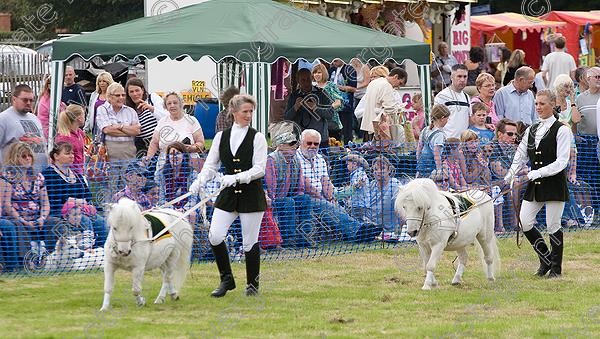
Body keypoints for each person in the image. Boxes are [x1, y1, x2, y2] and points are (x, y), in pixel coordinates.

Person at [189, 94, 267, 297]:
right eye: (245, 112)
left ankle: (252, 286)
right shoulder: (221, 137)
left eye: (251, 111)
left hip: (251, 194)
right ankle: (227, 279)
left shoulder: (257, 137)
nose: (249, 115)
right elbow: (211, 164)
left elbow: (260, 169)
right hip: (228, 194)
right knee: (215, 236)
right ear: (233, 112)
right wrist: (199, 181)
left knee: (250, 242)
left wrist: (238, 177)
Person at [504, 89, 571, 278]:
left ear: (552, 104)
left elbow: (562, 161)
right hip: (536, 183)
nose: (538, 107)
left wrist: (537, 172)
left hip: (554, 183)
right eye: (536, 104)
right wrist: (511, 173)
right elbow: (520, 154)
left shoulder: (562, 129)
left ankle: (556, 269)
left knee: (553, 225)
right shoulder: (531, 129)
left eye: (542, 103)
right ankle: (545, 259)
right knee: (525, 221)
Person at [41, 142, 107, 246]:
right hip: (60, 213)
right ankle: (85, 251)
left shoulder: (77, 175)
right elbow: (54, 200)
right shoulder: (48, 174)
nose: (71, 156)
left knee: (102, 223)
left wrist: (84, 205)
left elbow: (87, 195)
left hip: (82, 210)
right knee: (84, 220)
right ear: (56, 156)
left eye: (72, 153)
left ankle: (97, 252)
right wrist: (74, 202)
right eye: (67, 153)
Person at [144, 92, 204, 200]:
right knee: (164, 193)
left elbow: (201, 143)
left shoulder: (191, 120)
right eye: (169, 103)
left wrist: (190, 148)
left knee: (190, 193)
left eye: (175, 102)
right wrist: (147, 159)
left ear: (181, 103)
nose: (172, 105)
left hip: (189, 165)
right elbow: (154, 143)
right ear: (165, 106)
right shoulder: (163, 121)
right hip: (166, 165)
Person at [0, 142, 51, 263]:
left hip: (37, 217)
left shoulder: (38, 177)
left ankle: (50, 260)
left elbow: (45, 203)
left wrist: (42, 218)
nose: (28, 158)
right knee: (18, 225)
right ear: (15, 158)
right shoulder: (6, 177)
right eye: (23, 156)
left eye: (30, 155)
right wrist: (24, 221)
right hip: (16, 217)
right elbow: (6, 205)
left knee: (54, 222)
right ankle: (27, 261)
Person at [264, 132, 311, 247]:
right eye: (291, 144)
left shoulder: (296, 160)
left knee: (305, 199)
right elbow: (271, 188)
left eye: (295, 144)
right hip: (272, 200)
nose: (294, 146)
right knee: (288, 202)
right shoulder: (271, 160)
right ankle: (288, 239)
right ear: (280, 146)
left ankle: (304, 237)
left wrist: (298, 197)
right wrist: (273, 202)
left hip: (288, 198)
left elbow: (300, 187)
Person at [0, 84, 47, 172]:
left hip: (39, 175)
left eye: (31, 100)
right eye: (25, 100)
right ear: (14, 99)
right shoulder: (3, 119)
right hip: (15, 176)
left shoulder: (34, 118)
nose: (29, 103)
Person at [285, 68, 333, 149]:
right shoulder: (294, 96)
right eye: (303, 80)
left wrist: (316, 108)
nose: (306, 82)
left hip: (319, 139)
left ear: (311, 78)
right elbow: (287, 118)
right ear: (298, 81)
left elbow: (330, 114)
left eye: (308, 79)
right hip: (300, 139)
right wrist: (295, 108)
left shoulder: (322, 93)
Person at [95, 82, 141, 161]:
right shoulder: (102, 109)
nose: (121, 97)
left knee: (129, 173)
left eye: (123, 95)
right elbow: (107, 130)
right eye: (117, 95)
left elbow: (137, 131)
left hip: (129, 151)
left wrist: (120, 127)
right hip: (109, 150)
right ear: (109, 96)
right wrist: (129, 131)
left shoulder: (130, 111)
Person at [359, 67, 407, 140]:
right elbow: (390, 108)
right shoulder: (386, 85)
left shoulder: (373, 82)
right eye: (400, 83)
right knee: (382, 150)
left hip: (369, 124)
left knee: (372, 149)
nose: (398, 86)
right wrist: (399, 108)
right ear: (396, 76)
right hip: (380, 127)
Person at [125, 78, 165, 156]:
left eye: (137, 90)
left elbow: (166, 116)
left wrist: (151, 108)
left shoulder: (152, 98)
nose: (135, 94)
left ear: (142, 90)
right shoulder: (129, 109)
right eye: (131, 91)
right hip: (141, 148)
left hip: (158, 143)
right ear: (128, 94)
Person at [434, 64, 470, 138]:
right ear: (451, 77)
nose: (462, 80)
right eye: (459, 76)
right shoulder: (442, 96)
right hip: (447, 142)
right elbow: (435, 120)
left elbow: (470, 119)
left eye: (465, 76)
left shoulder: (467, 97)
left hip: (463, 143)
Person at [416, 104, 451, 178]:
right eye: (447, 119)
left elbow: (419, 148)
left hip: (421, 167)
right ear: (442, 118)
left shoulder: (425, 130)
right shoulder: (440, 135)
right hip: (432, 168)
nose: (447, 121)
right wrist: (439, 170)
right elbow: (436, 153)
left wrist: (418, 161)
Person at [329, 58, 357, 144]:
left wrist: (336, 87)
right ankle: (333, 147)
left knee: (346, 130)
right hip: (332, 105)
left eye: (336, 60)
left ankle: (348, 147)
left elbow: (353, 88)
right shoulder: (331, 70)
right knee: (333, 129)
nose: (334, 62)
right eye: (333, 60)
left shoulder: (350, 70)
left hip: (346, 105)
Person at [55, 105, 86, 173]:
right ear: (79, 118)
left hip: (80, 170)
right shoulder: (64, 137)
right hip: (70, 172)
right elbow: (62, 159)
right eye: (83, 115)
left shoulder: (80, 133)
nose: (84, 118)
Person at [35, 75, 65, 140]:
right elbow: (57, 118)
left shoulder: (53, 97)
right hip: (48, 135)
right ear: (49, 86)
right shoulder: (47, 100)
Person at [85, 71, 114, 137]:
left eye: (104, 81)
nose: (102, 83)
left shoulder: (113, 95)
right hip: (95, 127)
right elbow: (90, 113)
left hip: (108, 127)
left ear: (108, 82)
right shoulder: (94, 94)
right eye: (100, 81)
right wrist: (86, 128)